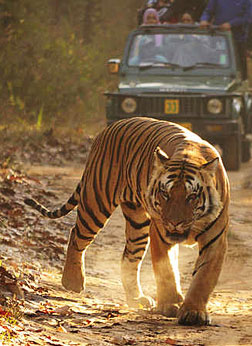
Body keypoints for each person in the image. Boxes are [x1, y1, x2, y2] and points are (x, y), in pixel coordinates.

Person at [200, 0, 251, 79]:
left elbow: (248, 17)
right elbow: (208, 11)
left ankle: (241, 83)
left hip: (238, 39)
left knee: (239, 66)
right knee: (219, 61)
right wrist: (204, 20)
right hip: (219, 37)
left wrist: (231, 24)